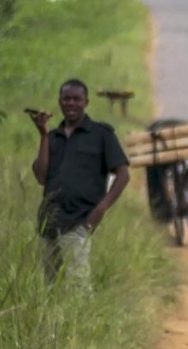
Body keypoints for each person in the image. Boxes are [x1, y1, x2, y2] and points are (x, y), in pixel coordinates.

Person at [29, 78, 130, 288]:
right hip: (49, 222)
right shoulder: (53, 137)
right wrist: (43, 135)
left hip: (80, 221)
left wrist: (100, 209)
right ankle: (54, 321)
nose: (71, 103)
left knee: (78, 285)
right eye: (66, 99)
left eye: (77, 99)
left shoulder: (101, 134)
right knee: (49, 285)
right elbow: (40, 176)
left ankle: (82, 322)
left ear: (86, 102)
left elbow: (123, 174)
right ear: (59, 102)